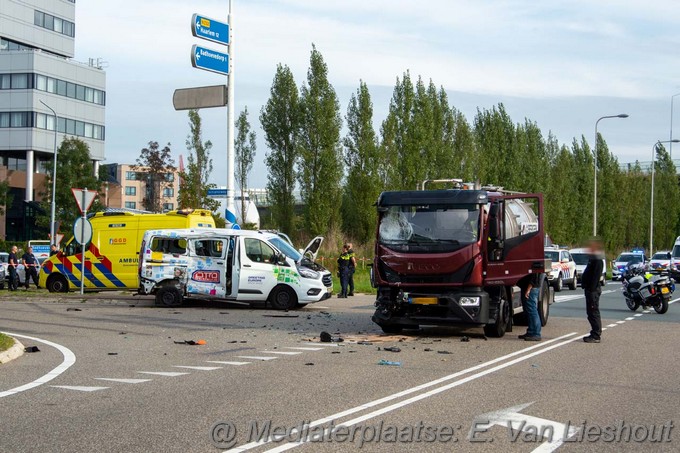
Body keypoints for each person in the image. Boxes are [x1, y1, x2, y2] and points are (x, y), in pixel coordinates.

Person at [581, 239, 604, 343]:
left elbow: (595, 276)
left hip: (593, 290)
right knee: (590, 312)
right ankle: (594, 332)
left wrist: (591, 289)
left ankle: (596, 335)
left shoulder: (597, 260)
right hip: (590, 289)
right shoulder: (593, 259)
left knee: (593, 311)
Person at [517, 272, 542, 341]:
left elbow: (534, 278)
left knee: (532, 311)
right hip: (528, 287)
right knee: (528, 310)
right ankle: (531, 331)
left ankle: (536, 333)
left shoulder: (534, 266)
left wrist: (528, 289)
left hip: (531, 288)